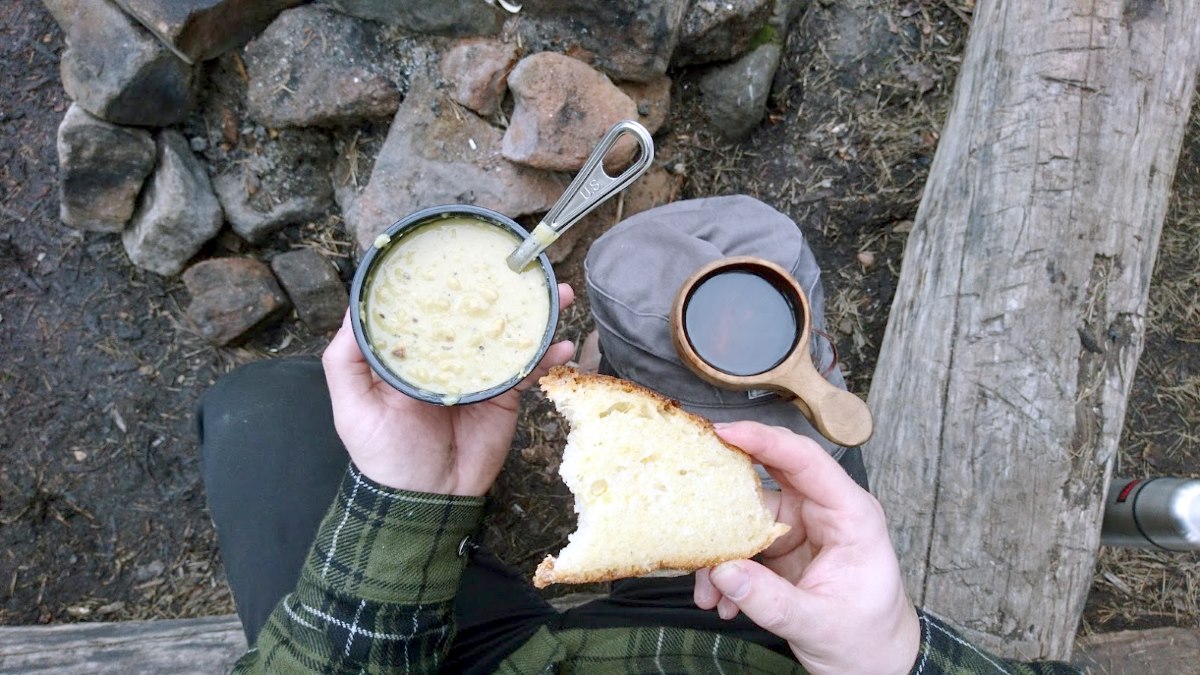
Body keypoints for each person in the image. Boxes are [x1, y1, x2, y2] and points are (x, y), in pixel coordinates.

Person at [198, 196, 1081, 673]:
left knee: (257, 412)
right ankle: (771, 374)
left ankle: (689, 383)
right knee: (805, 475)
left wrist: (404, 505)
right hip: (733, 650)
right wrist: (892, 662)